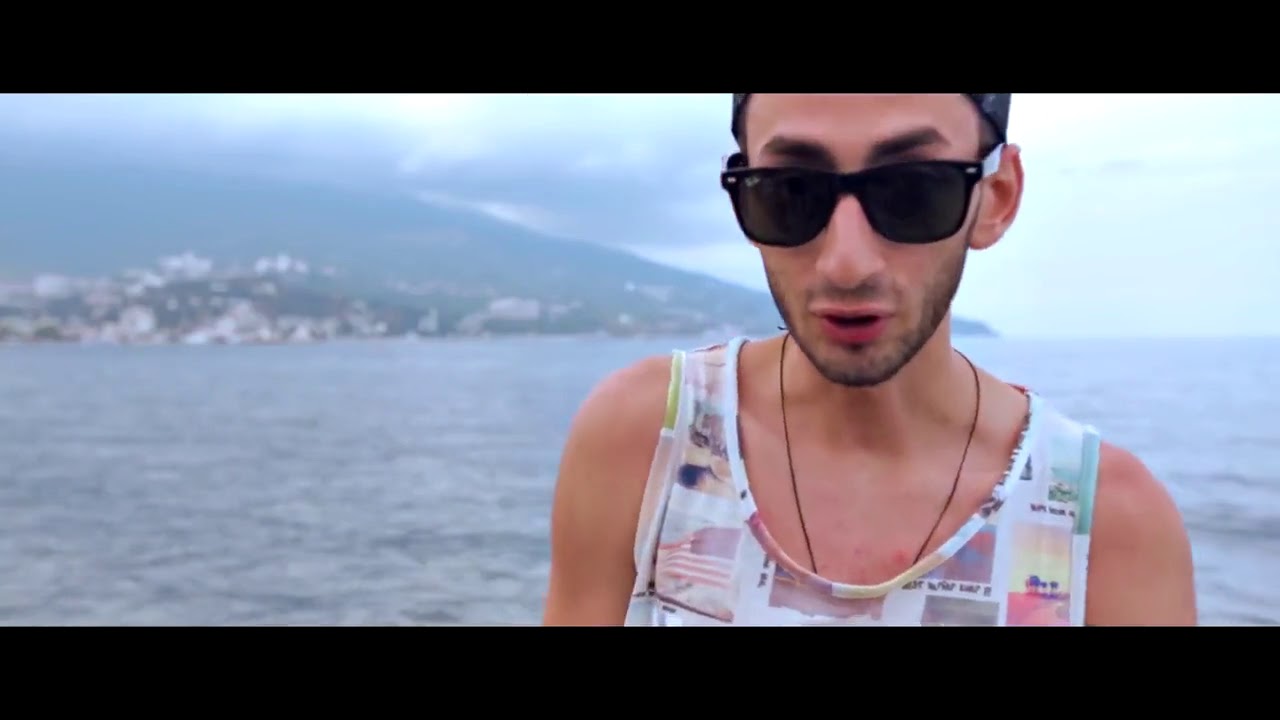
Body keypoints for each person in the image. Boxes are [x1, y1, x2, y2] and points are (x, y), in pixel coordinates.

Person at [541, 93, 1197, 626]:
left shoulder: (1106, 524)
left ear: (996, 197)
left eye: (913, 191)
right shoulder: (648, 439)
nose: (846, 264)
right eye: (790, 191)